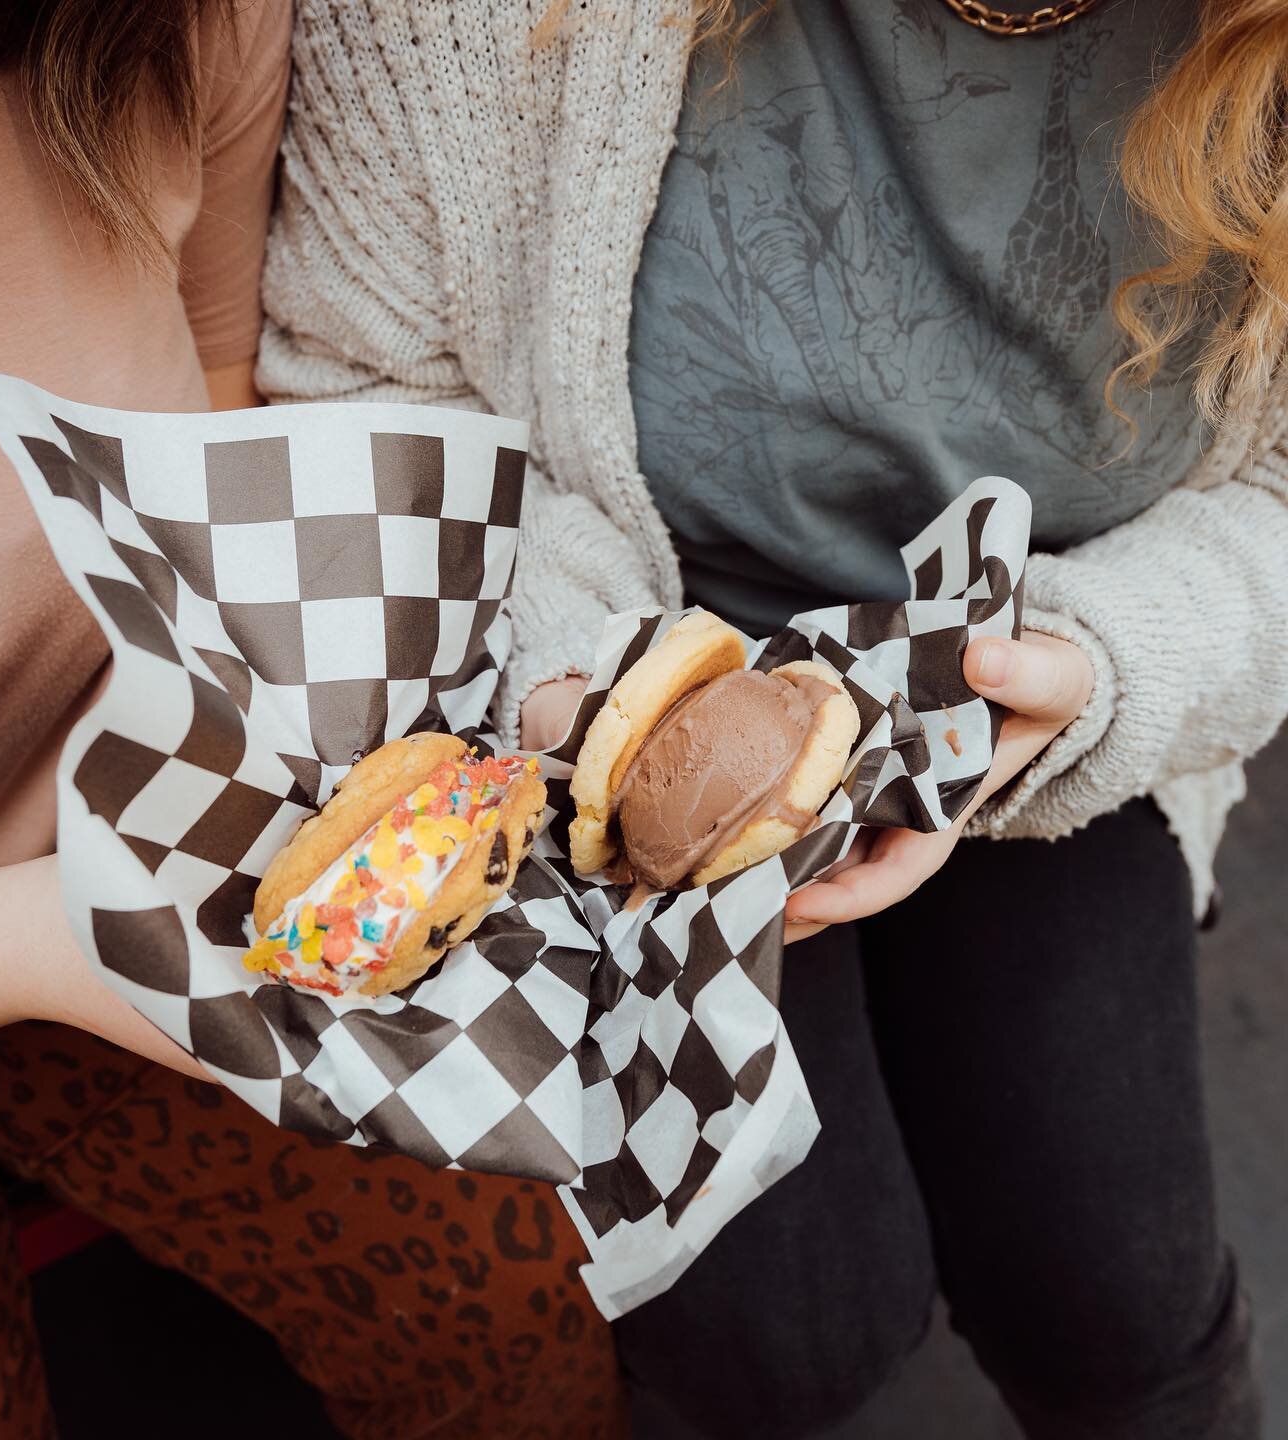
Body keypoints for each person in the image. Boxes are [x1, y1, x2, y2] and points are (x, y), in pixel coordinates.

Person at [262, 0, 1288, 1434]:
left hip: (1047, 682)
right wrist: (583, 689)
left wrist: (1099, 668)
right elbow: (365, 389)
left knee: (1118, 1289)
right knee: (790, 1333)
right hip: (597, 677)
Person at [0, 4, 626, 1437]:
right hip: (48, 927)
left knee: (506, 1285)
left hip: (142, 838)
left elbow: (220, 388)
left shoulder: (151, 20)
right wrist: (44, 935)